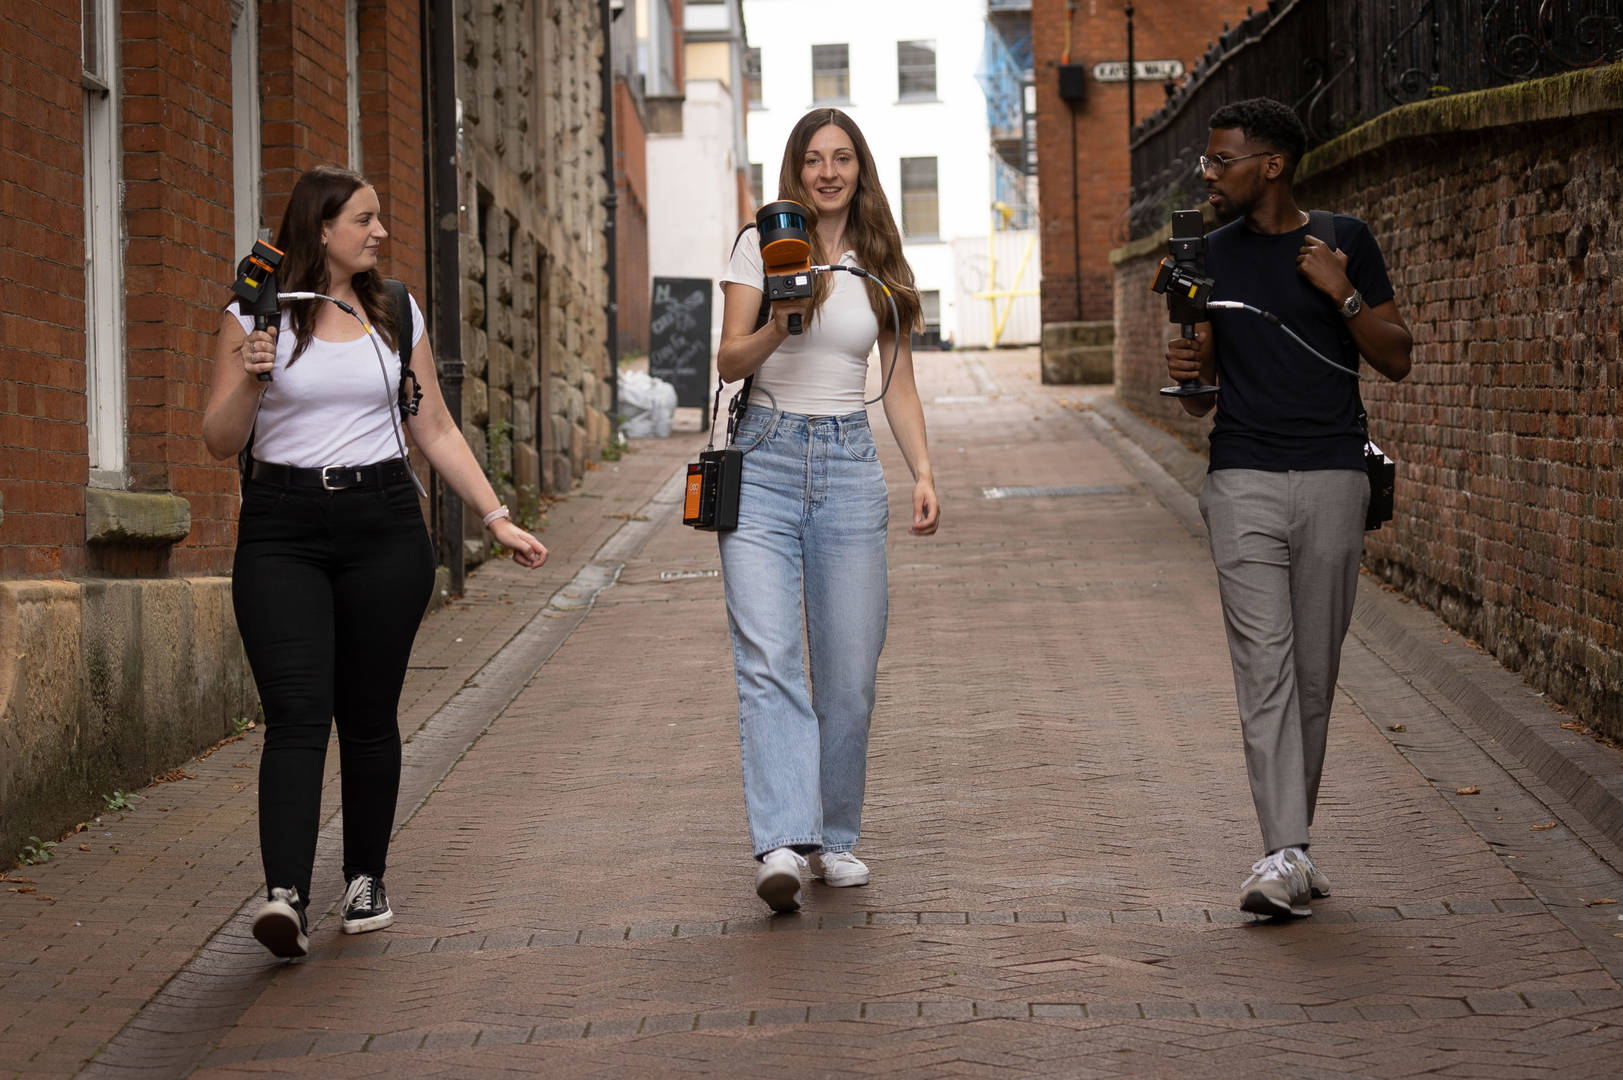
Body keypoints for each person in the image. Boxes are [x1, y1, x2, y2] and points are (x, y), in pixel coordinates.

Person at [202, 166, 548, 958]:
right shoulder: (255, 314)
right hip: (281, 529)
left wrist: (494, 517)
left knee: (366, 714)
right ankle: (285, 895)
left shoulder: (395, 312)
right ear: (320, 230)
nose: (379, 231)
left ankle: (364, 878)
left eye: (380, 217)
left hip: (383, 526)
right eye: (364, 218)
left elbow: (435, 429)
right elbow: (218, 438)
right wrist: (254, 379)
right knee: (294, 713)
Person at [1164, 98, 1413, 918]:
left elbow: (1395, 356)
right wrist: (1191, 365)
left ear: (1269, 165)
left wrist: (1340, 292)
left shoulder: (1343, 240)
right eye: (1205, 160)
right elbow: (1198, 400)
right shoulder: (1204, 255)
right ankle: (1279, 853)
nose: (1206, 172)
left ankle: (1291, 848)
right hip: (1242, 480)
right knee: (1263, 669)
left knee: (1313, 673)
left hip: (1335, 480)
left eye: (1220, 160)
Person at [715, 108, 940, 912]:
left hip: (849, 465)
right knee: (768, 657)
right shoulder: (760, 244)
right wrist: (784, 314)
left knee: (848, 674)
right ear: (795, 170)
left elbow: (899, 381)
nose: (828, 172)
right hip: (765, 459)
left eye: (842, 158)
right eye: (813, 159)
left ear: (860, 169)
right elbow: (728, 357)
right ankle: (780, 840)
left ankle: (833, 838)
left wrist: (921, 470)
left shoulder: (881, 260)